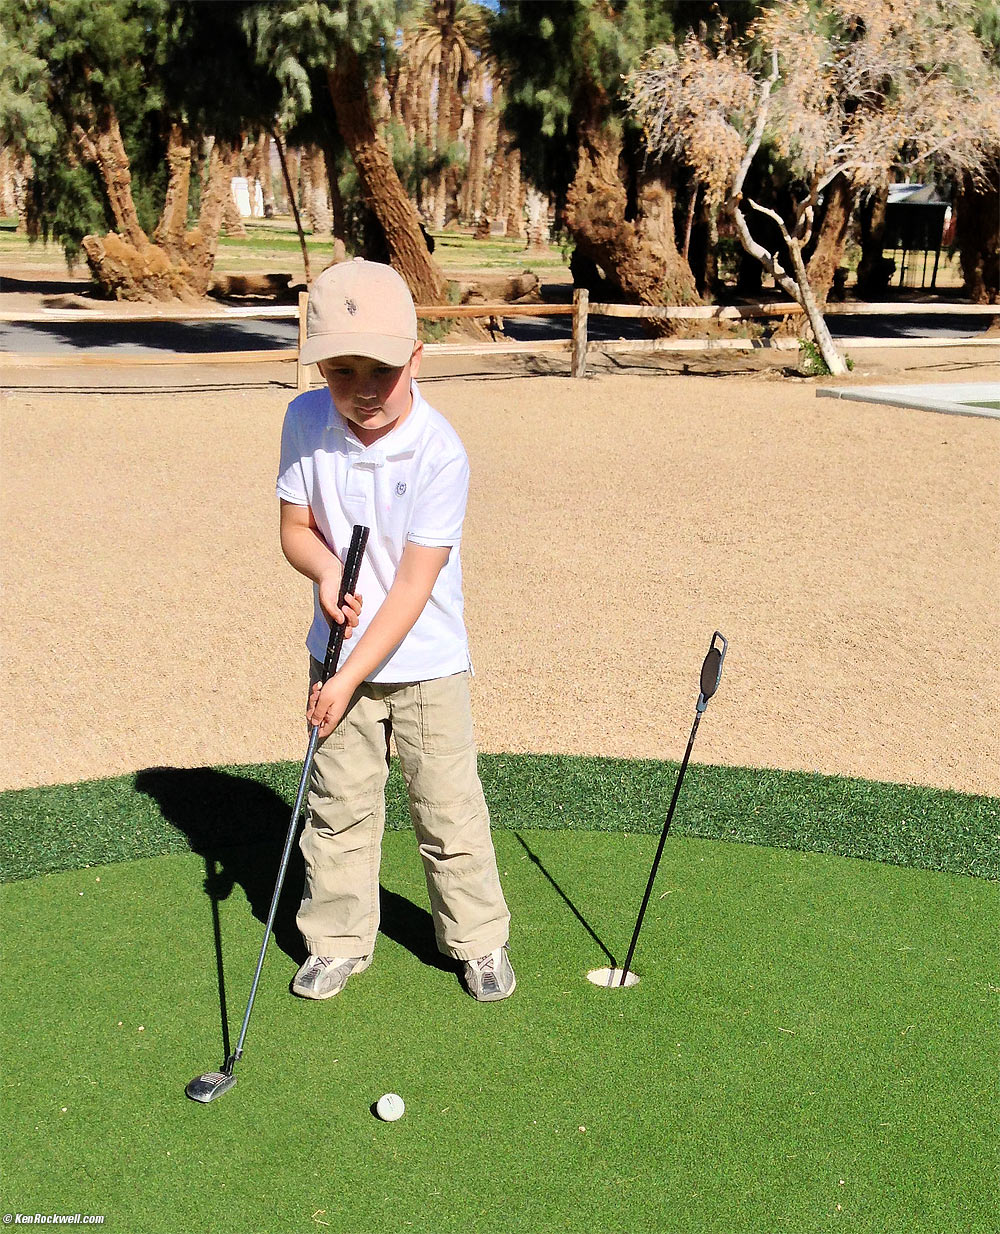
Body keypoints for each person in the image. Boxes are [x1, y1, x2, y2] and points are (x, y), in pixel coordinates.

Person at [275, 257, 514, 1003]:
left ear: (415, 357)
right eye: (340, 371)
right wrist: (320, 572)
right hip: (338, 653)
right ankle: (338, 941)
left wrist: (344, 680)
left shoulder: (440, 451)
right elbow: (294, 528)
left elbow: (413, 587)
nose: (362, 389)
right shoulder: (306, 421)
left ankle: (477, 941)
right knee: (338, 806)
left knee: (447, 808)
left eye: (380, 367)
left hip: (427, 661)